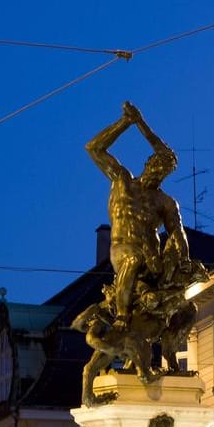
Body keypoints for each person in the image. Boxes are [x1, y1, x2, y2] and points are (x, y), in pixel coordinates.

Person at [88, 101, 190, 324]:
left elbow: (177, 234)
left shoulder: (164, 202)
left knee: (181, 303)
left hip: (152, 260)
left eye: (163, 172)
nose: (158, 174)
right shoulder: (122, 181)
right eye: (156, 167)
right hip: (123, 251)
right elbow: (94, 149)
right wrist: (126, 123)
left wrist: (184, 259)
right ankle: (122, 316)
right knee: (134, 258)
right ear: (149, 163)